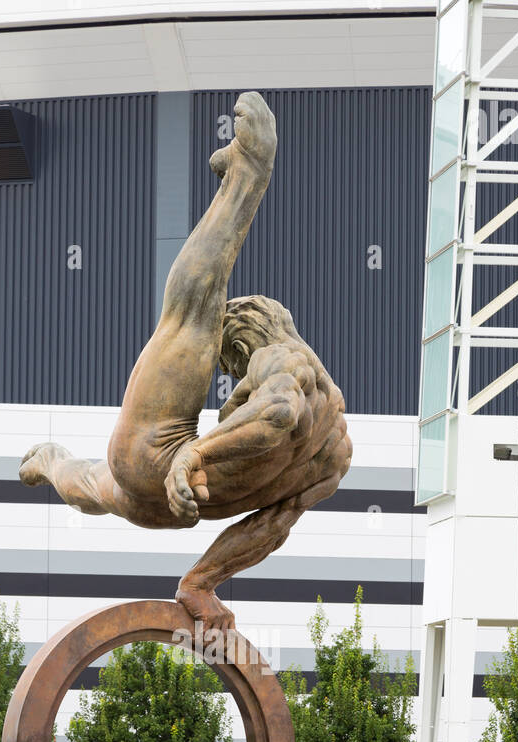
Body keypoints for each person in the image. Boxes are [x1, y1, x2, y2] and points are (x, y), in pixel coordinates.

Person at [20, 91, 351, 635]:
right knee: (96, 484)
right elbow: (272, 527)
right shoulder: (335, 457)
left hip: (164, 472)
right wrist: (202, 580)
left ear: (246, 337)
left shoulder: (286, 362)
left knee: (192, 312)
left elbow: (277, 412)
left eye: (228, 364)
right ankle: (53, 460)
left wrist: (190, 454)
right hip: (181, 505)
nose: (228, 380)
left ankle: (248, 175)